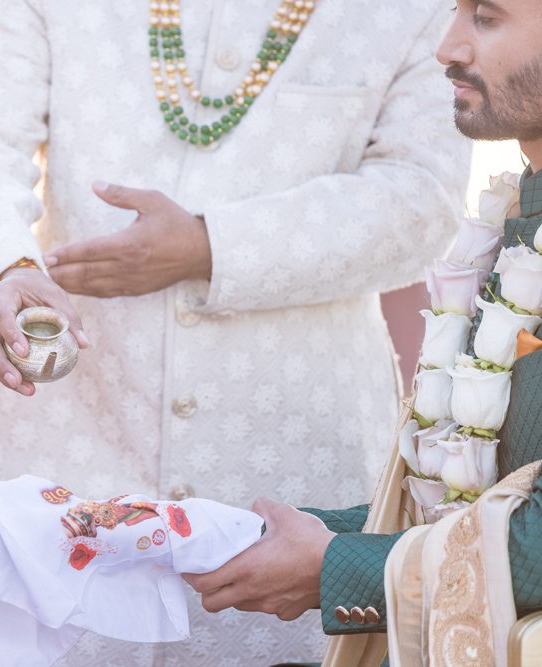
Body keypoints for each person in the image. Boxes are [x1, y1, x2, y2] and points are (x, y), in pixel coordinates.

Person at [0, 0, 471, 662]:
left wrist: (212, 245)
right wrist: (6, 266)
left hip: (295, 477)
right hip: (69, 452)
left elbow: (422, 196)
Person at [184, 1, 542, 664]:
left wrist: (333, 563)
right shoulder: (515, 223)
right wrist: (263, 535)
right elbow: (467, 504)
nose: (447, 46)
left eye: (486, 19)